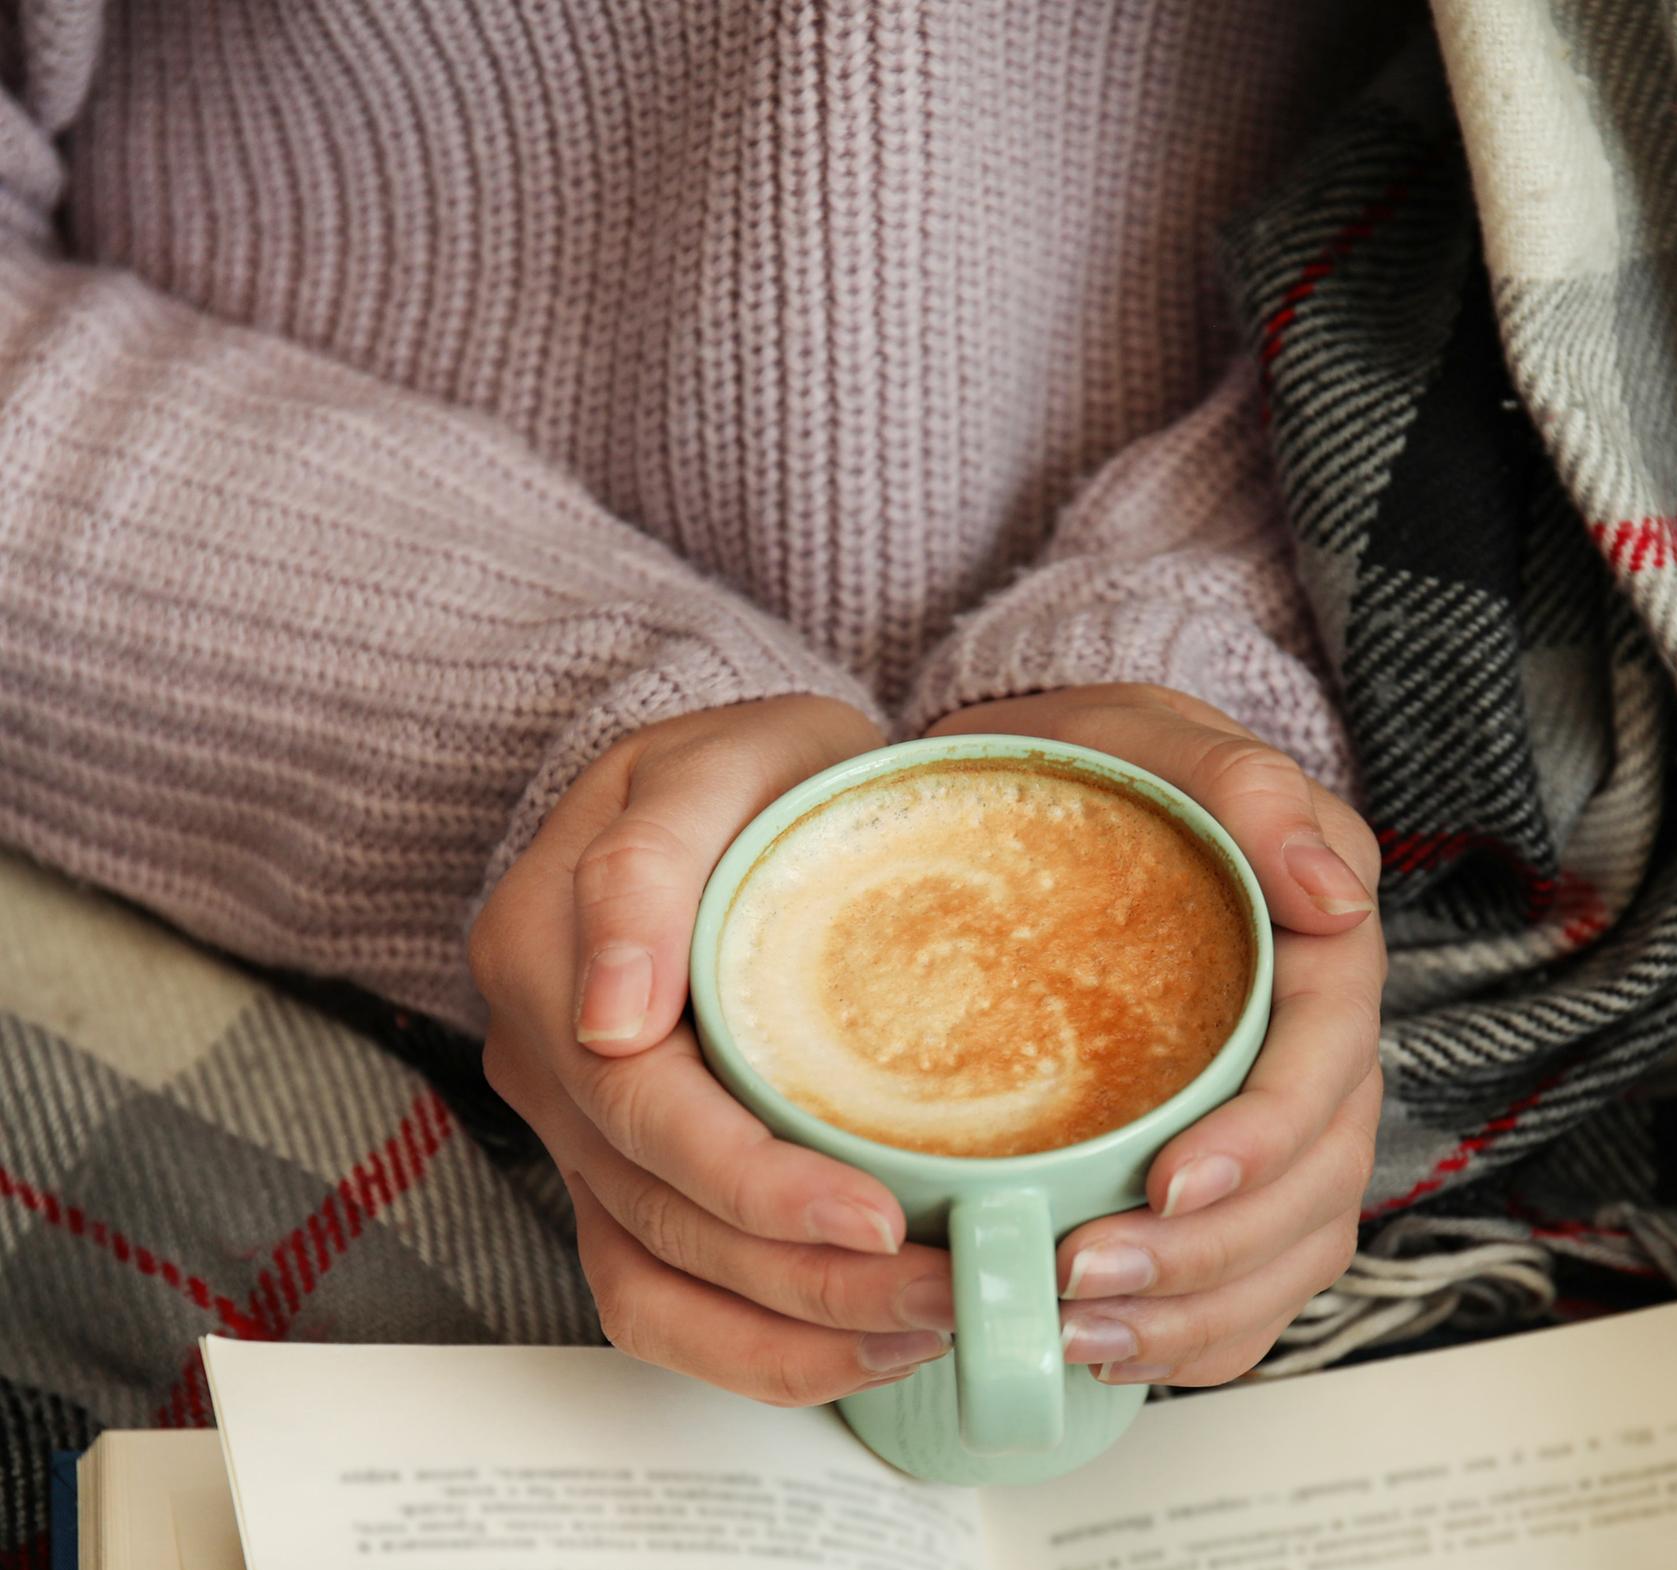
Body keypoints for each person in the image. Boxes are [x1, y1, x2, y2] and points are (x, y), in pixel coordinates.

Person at [0, 0, 1394, 1408]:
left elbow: (1493, 198)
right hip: (252, 976)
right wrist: (544, 717)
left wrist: (1198, 650)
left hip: (1448, 928)